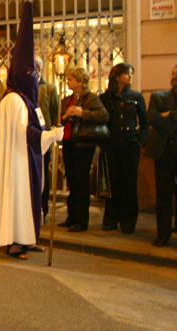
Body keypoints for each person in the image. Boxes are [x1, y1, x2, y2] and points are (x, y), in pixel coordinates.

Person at [0, 2, 64, 259]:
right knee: (18, 200)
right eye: (31, 73)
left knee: (32, 198)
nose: (35, 78)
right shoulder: (14, 100)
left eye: (37, 72)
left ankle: (28, 239)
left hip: (29, 160)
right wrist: (50, 136)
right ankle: (14, 242)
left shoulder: (26, 100)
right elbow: (25, 134)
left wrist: (49, 133)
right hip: (17, 164)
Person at [99, 63, 148, 234]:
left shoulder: (136, 97)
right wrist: (103, 143)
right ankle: (111, 218)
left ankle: (128, 220)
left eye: (131, 74)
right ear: (117, 76)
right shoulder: (105, 98)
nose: (130, 77)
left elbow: (144, 121)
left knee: (129, 183)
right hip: (111, 145)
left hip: (130, 145)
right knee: (113, 183)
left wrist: (141, 141)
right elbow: (101, 121)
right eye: (127, 74)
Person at [60, 67, 109, 232]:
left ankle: (81, 220)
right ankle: (71, 216)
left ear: (80, 81)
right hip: (68, 142)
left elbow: (103, 115)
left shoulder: (91, 98)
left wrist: (83, 113)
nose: (68, 82)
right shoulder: (67, 100)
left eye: (71, 79)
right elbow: (60, 120)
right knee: (72, 181)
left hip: (83, 144)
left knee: (81, 182)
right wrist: (65, 117)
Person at [144, 63, 177, 247]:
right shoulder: (159, 96)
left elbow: (163, 120)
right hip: (164, 150)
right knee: (163, 193)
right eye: (173, 73)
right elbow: (153, 118)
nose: (175, 76)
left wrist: (171, 115)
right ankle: (163, 233)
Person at [34, 56, 60, 220]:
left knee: (43, 174)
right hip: (28, 139)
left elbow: (54, 111)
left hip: (43, 137)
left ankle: (43, 208)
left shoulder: (48, 88)